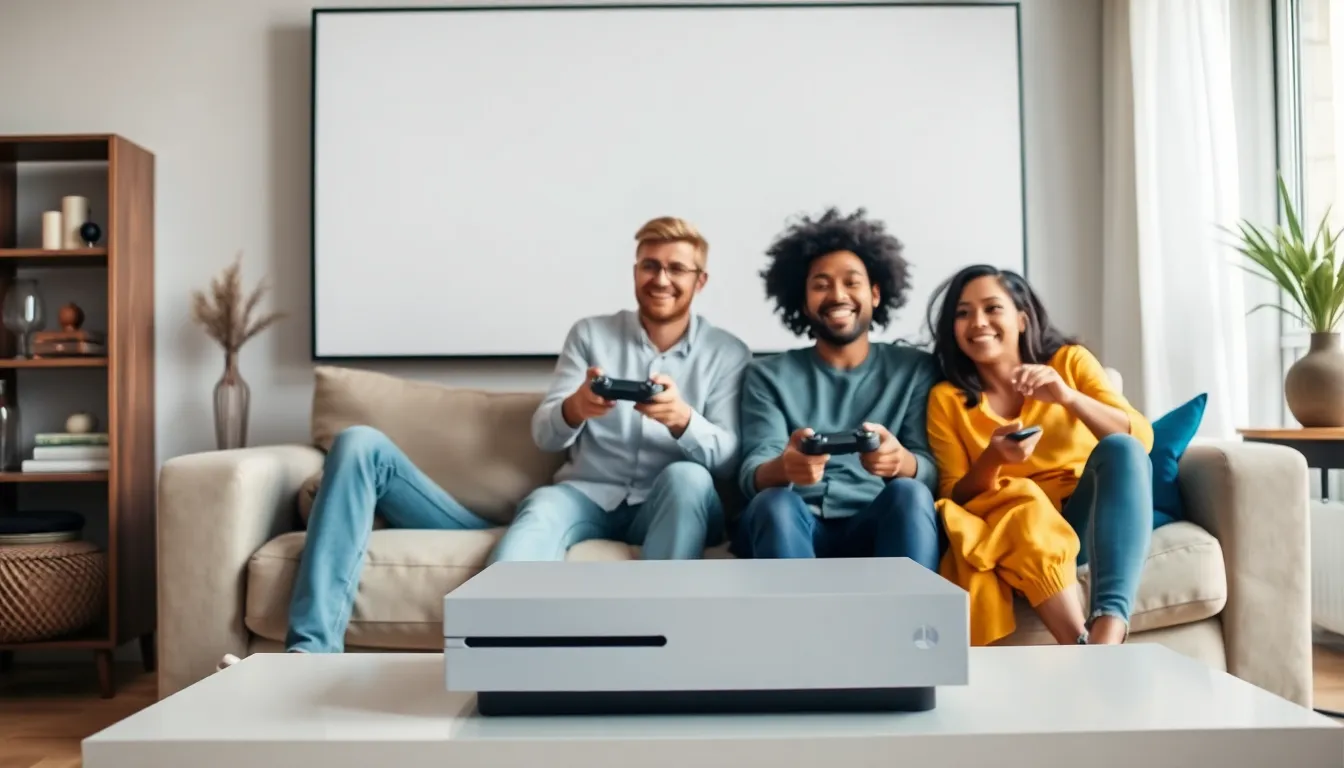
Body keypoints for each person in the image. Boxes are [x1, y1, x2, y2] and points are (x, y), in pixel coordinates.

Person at [486, 216, 752, 563]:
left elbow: (730, 462)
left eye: (676, 269)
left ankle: (664, 598)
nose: (661, 279)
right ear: (635, 272)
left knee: (689, 477)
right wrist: (575, 408)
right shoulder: (589, 335)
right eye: (650, 266)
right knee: (543, 505)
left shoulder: (728, 353)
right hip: (587, 495)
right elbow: (544, 436)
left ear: (699, 281)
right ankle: (500, 597)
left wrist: (683, 420)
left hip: (671, 503)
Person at [923, 264, 1154, 647]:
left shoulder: (1069, 363)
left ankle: (1108, 632)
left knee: (1121, 447)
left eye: (992, 308)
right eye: (963, 313)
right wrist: (993, 458)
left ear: (1022, 318)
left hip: (1084, 517)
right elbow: (954, 496)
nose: (978, 322)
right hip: (1018, 530)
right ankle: (1088, 650)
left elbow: (1140, 440)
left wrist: (1068, 397)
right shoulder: (946, 400)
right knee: (1022, 499)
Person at [732, 207, 943, 566]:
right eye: (821, 284)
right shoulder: (766, 376)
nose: (837, 294)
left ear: (875, 294)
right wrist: (785, 468)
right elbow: (754, 469)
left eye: (851, 282)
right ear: (803, 303)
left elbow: (930, 468)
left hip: (879, 519)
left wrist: (900, 461)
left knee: (911, 494)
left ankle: (909, 605)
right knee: (774, 503)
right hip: (795, 521)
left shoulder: (915, 370)